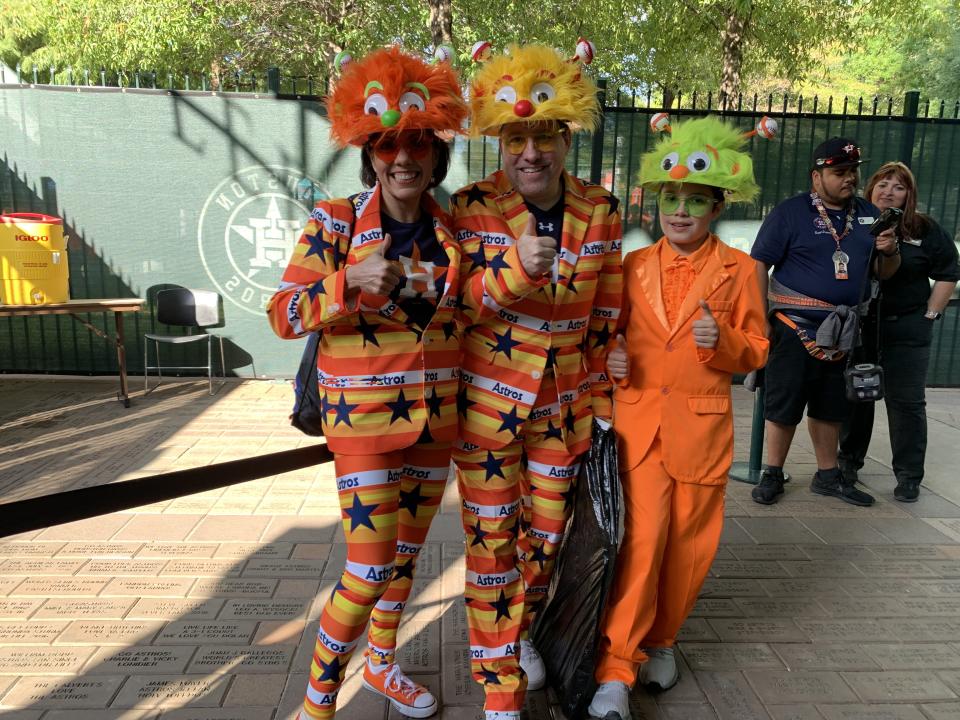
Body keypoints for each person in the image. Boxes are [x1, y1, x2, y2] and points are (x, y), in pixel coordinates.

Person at [265, 46, 468, 720]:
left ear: (436, 154)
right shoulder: (335, 220)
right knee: (368, 569)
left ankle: (380, 663)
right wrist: (344, 282)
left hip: (436, 425)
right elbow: (282, 315)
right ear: (369, 152)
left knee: (406, 557)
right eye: (386, 144)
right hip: (363, 428)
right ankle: (317, 703)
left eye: (416, 142)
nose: (402, 157)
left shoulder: (453, 230)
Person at [449, 40, 623, 720]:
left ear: (565, 135)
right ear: (499, 138)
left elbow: (607, 311)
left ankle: (516, 627)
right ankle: (499, 686)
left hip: (566, 409)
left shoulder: (600, 210)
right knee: (493, 541)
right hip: (486, 410)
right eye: (516, 136)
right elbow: (451, 306)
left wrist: (604, 400)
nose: (530, 151)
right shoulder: (469, 206)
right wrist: (514, 271)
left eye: (544, 134)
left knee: (546, 536)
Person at [586, 116, 770, 720]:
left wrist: (723, 344)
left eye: (695, 200)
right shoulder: (631, 267)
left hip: (702, 428)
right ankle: (618, 666)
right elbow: (608, 340)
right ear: (657, 201)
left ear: (716, 206)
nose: (680, 211)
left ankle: (664, 638)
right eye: (671, 198)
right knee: (641, 543)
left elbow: (758, 349)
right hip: (639, 427)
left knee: (690, 547)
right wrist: (611, 360)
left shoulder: (741, 271)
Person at [749, 137, 901, 507]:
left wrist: (890, 249)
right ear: (816, 176)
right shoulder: (790, 213)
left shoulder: (868, 214)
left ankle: (828, 475)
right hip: (793, 325)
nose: (848, 179)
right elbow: (757, 265)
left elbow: (886, 273)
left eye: (852, 172)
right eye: (839, 172)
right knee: (783, 404)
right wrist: (759, 320)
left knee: (832, 406)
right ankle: (772, 473)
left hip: (847, 330)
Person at [840, 162, 960, 501]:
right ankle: (847, 464)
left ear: (909, 195)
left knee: (906, 403)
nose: (888, 191)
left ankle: (908, 476)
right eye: (882, 183)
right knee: (856, 397)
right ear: (871, 188)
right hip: (862, 325)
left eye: (898, 186)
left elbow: (948, 272)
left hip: (907, 328)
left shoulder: (924, 228)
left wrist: (930, 313)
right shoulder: (851, 224)